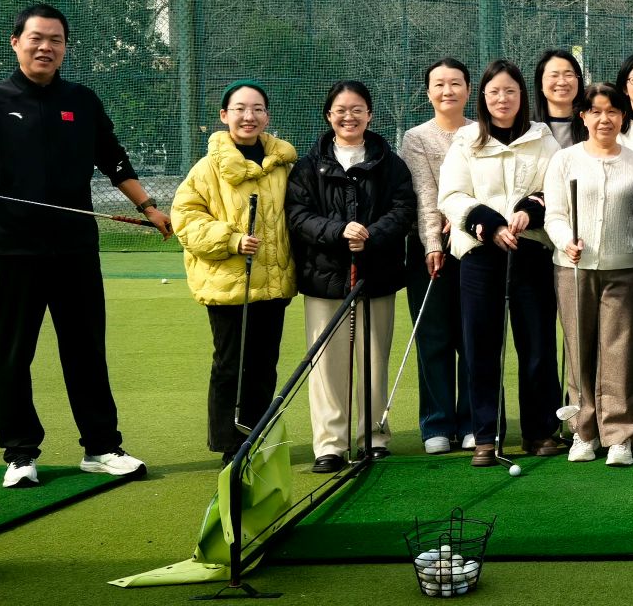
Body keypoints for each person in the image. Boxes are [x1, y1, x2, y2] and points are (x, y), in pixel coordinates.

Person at [0, 4, 170, 488]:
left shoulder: (82, 100)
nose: (46, 47)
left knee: (86, 352)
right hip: (12, 253)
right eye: (36, 38)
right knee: (13, 356)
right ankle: (20, 455)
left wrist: (148, 207)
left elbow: (113, 159)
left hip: (75, 251)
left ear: (65, 48)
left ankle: (101, 447)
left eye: (55, 40)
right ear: (15, 42)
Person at [437, 61, 566, 467]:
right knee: (481, 347)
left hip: (530, 253)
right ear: (483, 97)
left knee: (538, 345)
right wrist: (488, 224)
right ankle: (485, 435)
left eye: (510, 91)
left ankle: (540, 431)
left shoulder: (542, 139)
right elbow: (452, 195)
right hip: (480, 256)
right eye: (494, 92)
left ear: (522, 96)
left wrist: (531, 209)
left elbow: (555, 187)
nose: (502, 99)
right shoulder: (466, 141)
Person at [286, 80, 416, 473]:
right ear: (329, 115)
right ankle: (330, 445)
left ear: (370, 115)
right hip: (324, 278)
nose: (349, 117)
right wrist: (339, 231)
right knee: (327, 365)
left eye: (357, 109)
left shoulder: (390, 163)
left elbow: (403, 209)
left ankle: (373, 437)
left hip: (377, 274)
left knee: (374, 360)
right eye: (341, 110)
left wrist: (370, 235)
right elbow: (298, 216)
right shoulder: (308, 166)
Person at [171, 81, 298, 464]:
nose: (249, 116)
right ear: (224, 115)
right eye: (240, 109)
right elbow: (185, 218)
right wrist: (230, 240)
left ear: (267, 116)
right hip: (229, 283)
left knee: (264, 365)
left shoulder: (283, 165)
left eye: (257, 109)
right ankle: (230, 444)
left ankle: (256, 436)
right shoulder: (207, 168)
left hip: (273, 283)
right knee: (231, 365)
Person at [544, 83, 633, 467]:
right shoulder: (565, 160)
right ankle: (583, 431)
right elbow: (554, 214)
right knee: (579, 349)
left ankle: (620, 434)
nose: (605, 119)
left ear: (623, 116)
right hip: (573, 269)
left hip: (625, 269)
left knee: (620, 353)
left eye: (613, 111)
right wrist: (564, 241)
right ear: (583, 116)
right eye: (596, 111)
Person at [399, 59, 476, 455]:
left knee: (474, 337)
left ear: (468, 89)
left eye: (456, 83)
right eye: (440, 84)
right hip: (430, 250)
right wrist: (432, 243)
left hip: (476, 244)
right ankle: (437, 424)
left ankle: (474, 422)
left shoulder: (480, 131)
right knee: (434, 337)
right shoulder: (416, 138)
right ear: (428, 92)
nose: (448, 91)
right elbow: (425, 193)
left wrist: (463, 216)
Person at [535, 49, 588, 147]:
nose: (562, 82)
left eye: (569, 75)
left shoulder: (592, 127)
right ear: (540, 84)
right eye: (554, 75)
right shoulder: (528, 130)